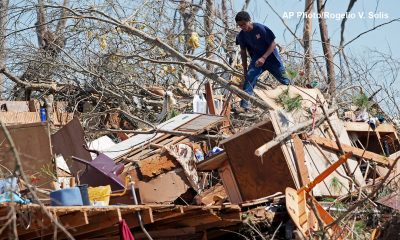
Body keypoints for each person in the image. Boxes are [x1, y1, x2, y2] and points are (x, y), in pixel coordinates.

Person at [235, 11, 290, 111]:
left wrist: (264, 58)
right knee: (250, 77)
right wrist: (244, 68)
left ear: (249, 21)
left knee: (285, 80)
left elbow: (273, 44)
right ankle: (245, 106)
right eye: (240, 25)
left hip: (271, 58)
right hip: (257, 59)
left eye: (244, 24)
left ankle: (293, 101)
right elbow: (243, 52)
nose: (242, 27)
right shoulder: (241, 36)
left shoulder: (260, 28)